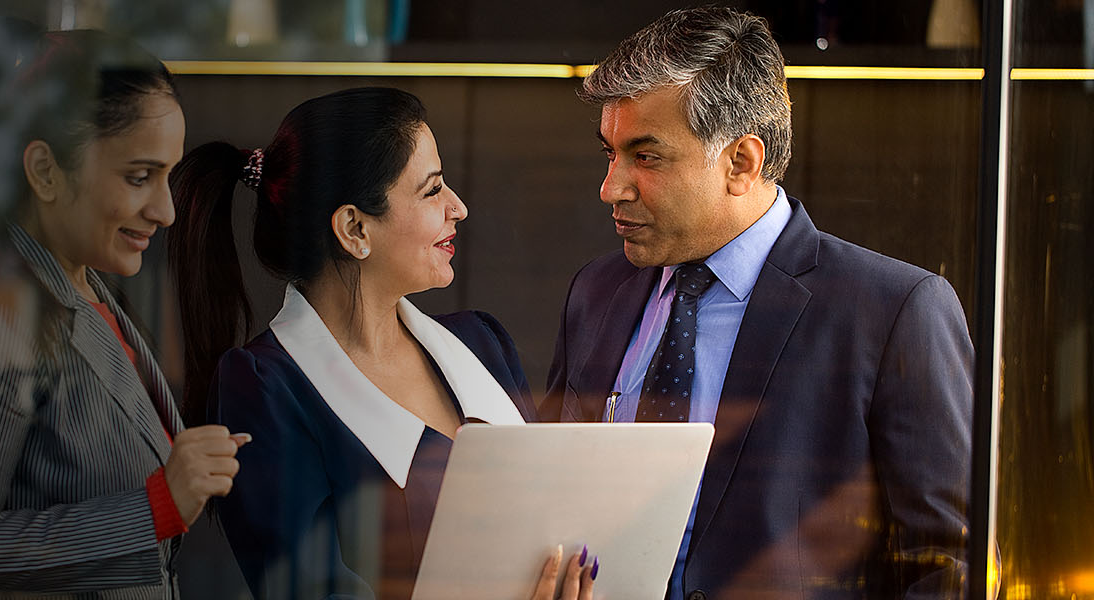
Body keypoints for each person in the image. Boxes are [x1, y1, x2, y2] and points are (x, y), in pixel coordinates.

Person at [544, 7, 972, 599]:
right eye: (609, 154)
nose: (610, 187)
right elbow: (551, 509)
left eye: (645, 157)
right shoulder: (595, 293)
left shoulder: (895, 311)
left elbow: (950, 565)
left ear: (741, 162)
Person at [168, 87, 597, 600]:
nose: (457, 207)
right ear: (354, 228)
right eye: (432, 190)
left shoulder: (483, 343)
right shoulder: (265, 388)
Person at [0, 27, 245, 598]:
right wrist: (157, 506)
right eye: (140, 177)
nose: (165, 211)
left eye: (167, 176)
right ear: (44, 171)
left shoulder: (90, 298)